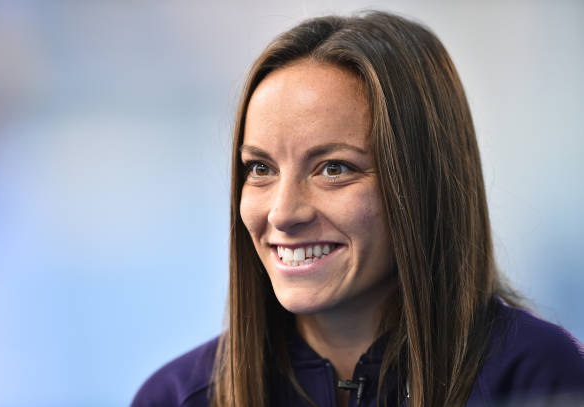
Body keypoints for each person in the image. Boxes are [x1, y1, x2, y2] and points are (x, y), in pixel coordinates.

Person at [131, 11, 584, 407]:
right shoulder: (176, 397)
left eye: (333, 168)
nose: (283, 213)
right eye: (260, 168)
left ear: (422, 183)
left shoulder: (538, 377)